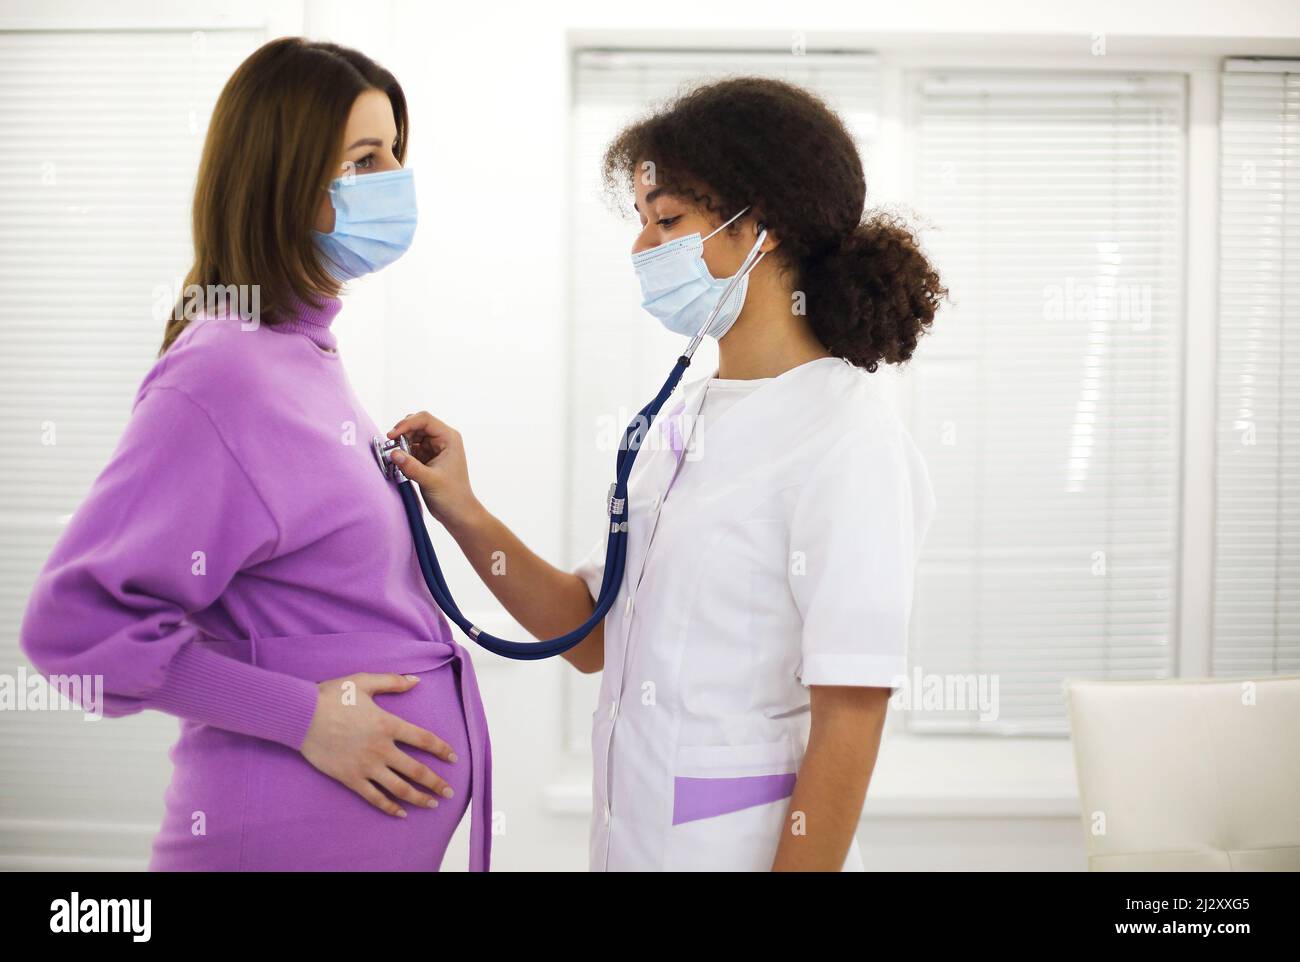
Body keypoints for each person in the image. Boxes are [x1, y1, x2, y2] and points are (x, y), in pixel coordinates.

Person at [388, 76, 943, 871]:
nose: (642, 248)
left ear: (767, 228)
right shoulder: (681, 419)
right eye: (643, 222)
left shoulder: (848, 436)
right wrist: (462, 510)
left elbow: (850, 713)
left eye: (669, 220)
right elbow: (590, 635)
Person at [20, 37, 491, 871]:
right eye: (365, 158)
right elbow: (76, 629)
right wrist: (302, 716)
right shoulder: (224, 369)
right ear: (286, 175)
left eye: (395, 154)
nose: (394, 180)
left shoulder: (299, 355)